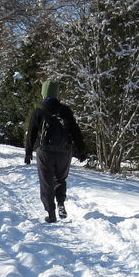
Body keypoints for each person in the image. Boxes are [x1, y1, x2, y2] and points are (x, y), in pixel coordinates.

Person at [24, 80, 87, 223]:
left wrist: (28, 152)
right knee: (60, 179)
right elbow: (75, 131)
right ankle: (60, 203)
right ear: (56, 93)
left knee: (46, 182)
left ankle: (51, 214)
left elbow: (31, 134)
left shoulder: (39, 110)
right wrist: (81, 150)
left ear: (44, 92)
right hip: (64, 152)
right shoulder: (65, 110)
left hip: (45, 152)